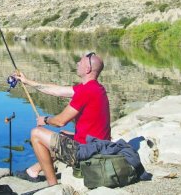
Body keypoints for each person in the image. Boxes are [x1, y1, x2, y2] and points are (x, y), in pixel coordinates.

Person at [12, 52, 110, 186]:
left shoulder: (85, 91)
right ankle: (33, 171)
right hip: (98, 146)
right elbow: (57, 90)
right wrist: (27, 81)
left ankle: (52, 186)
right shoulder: (96, 88)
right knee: (63, 135)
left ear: (87, 69)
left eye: (80, 62)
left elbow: (60, 121)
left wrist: (45, 120)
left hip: (88, 153)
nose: (77, 63)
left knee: (36, 134)